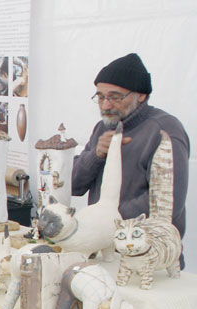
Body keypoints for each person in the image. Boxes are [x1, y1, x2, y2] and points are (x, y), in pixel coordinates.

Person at [72, 53, 189, 259]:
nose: (105, 105)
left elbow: (168, 201)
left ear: (141, 95)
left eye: (115, 97)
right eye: (100, 97)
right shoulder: (103, 127)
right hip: (105, 249)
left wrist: (108, 220)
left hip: (148, 256)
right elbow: (73, 185)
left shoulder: (164, 131)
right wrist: (96, 155)